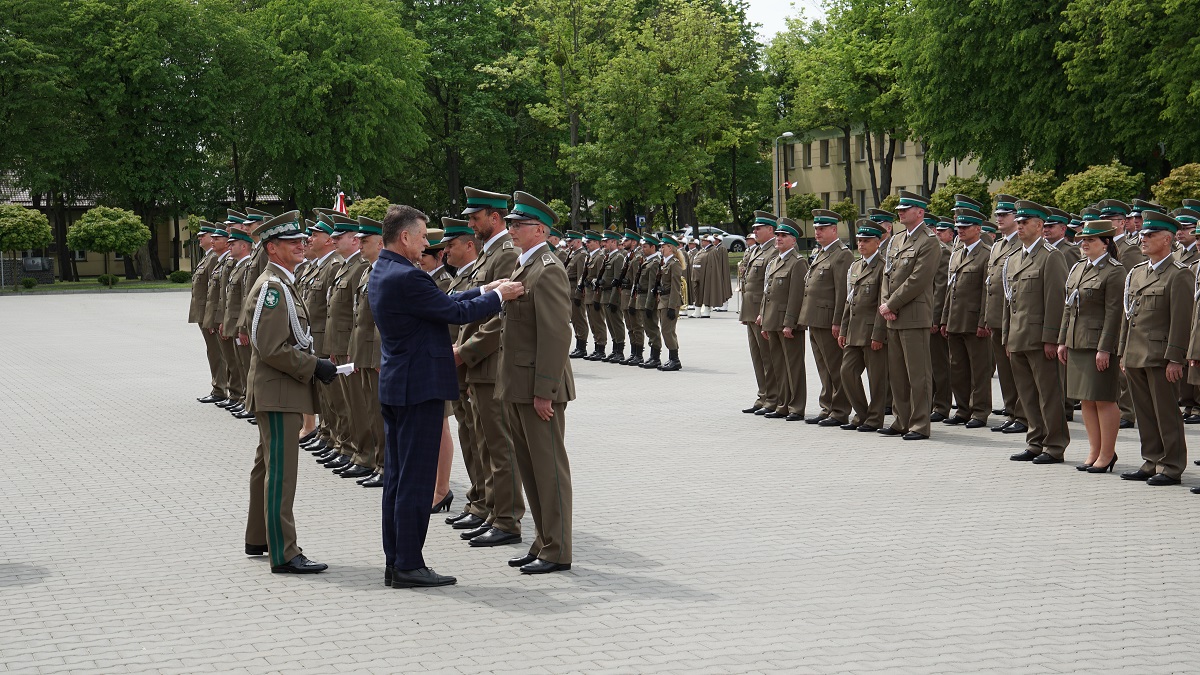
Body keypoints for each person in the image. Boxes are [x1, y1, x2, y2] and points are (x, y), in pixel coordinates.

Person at [370, 204, 523, 589]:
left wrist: (484, 289)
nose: (427, 243)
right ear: (404, 237)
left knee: (399, 479)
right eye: (423, 236)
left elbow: (436, 303)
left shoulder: (385, 269)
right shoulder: (407, 276)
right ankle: (408, 563)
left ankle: (397, 560)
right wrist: (500, 296)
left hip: (399, 385)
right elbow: (452, 311)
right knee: (416, 481)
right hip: (418, 389)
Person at [242, 210, 338, 574]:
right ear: (271, 248)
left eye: (301, 240)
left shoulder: (282, 281)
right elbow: (270, 347)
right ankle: (284, 552)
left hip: (277, 391)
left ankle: (260, 538)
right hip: (279, 392)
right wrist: (315, 367)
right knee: (280, 472)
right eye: (292, 242)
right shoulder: (272, 286)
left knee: (266, 466)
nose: (301, 245)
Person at [497, 192, 576, 574]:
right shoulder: (524, 265)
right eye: (510, 224)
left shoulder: (547, 268)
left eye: (518, 225)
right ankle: (543, 540)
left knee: (549, 470)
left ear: (540, 230)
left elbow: (557, 334)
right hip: (518, 383)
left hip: (537, 388)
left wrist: (544, 390)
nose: (511, 230)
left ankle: (558, 548)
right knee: (530, 469)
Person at [455, 187, 525, 547]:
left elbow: (501, 316)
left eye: (475, 217)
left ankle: (508, 519)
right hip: (477, 363)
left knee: (499, 445)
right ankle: (490, 509)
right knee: (484, 442)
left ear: (493, 217)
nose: (471, 223)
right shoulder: (490, 253)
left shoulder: (506, 253)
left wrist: (464, 352)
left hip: (491, 361)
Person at [1120, 210, 1191, 487]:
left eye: (1150, 235)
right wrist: (1124, 352)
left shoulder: (1178, 274)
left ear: (1167, 239)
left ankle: (1172, 465)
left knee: (1166, 412)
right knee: (1145, 412)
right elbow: (1130, 316)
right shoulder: (1138, 272)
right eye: (1142, 235)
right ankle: (1151, 460)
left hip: (1161, 356)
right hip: (1136, 353)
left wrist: (1176, 358)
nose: (1143, 238)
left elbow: (1181, 320)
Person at [1004, 200, 1070, 464]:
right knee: (1027, 394)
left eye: (1024, 222)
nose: (1019, 226)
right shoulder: (1013, 258)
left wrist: (1051, 339)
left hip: (1040, 339)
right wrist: (1006, 336)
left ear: (1040, 225)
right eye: (1017, 222)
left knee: (1049, 394)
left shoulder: (1051, 256)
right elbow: (1009, 302)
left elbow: (1056, 300)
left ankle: (1054, 445)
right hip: (1018, 337)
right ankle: (1035, 441)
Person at [1056, 220, 1124, 473]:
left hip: (1097, 344)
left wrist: (1105, 348)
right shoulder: (1078, 268)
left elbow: (1114, 313)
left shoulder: (1115, 271)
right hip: (1077, 342)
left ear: (1105, 243)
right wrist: (1063, 341)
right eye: (1083, 240)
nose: (1084, 244)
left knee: (1104, 399)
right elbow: (1068, 308)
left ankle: (1107, 453)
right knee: (1086, 400)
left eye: (1090, 240)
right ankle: (1095, 450)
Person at [878, 190, 940, 441]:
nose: (900, 213)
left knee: (918, 373)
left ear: (920, 213)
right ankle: (901, 420)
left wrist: (891, 304)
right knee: (898, 373)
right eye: (899, 210)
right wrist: (886, 303)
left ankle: (919, 424)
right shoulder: (896, 240)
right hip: (893, 315)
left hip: (914, 315)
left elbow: (918, 279)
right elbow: (887, 274)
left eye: (906, 209)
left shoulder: (929, 241)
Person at [440, 221, 489, 524]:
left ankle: (487, 504)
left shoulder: (479, 272)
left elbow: (488, 324)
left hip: (470, 365)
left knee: (483, 440)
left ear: (468, 245)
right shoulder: (462, 278)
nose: (445, 252)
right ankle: (477, 498)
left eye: (450, 245)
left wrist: (466, 356)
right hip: (455, 367)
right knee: (469, 436)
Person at [340, 217, 387, 485]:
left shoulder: (383, 271)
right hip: (364, 352)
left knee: (380, 413)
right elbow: (359, 318)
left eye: (364, 241)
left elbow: (382, 320)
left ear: (380, 243)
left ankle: (384, 466)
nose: (359, 245)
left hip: (377, 355)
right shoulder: (369, 270)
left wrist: (381, 355)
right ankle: (376, 462)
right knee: (371, 411)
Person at [939, 208, 992, 428]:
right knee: (958, 368)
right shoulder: (957, 253)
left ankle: (979, 412)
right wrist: (944, 318)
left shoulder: (986, 254)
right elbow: (949, 290)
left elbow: (986, 291)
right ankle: (962, 409)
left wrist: (983, 321)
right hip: (955, 319)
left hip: (973, 322)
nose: (960, 230)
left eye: (965, 227)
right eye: (958, 227)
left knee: (979, 370)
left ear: (978, 229)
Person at [800, 209, 853, 426]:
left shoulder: (842, 254)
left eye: (822, 229)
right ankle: (827, 406)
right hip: (815, 318)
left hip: (829, 319)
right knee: (823, 366)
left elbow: (843, 291)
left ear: (834, 229)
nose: (817, 232)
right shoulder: (821, 252)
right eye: (816, 229)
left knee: (835, 366)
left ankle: (840, 410)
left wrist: (838, 322)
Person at [983, 194, 1028, 435]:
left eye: (1004, 215)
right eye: (997, 215)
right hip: (997, 317)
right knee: (1005, 371)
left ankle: (1023, 414)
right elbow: (989, 284)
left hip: (1014, 318)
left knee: (1017, 370)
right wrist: (986, 317)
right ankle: (1012, 412)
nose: (999, 219)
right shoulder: (998, 245)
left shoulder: (1020, 244)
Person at [838, 220, 888, 432]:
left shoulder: (883, 266)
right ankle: (862, 413)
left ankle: (875, 418)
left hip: (871, 331)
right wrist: (843, 329)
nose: (861, 244)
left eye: (866, 241)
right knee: (846, 372)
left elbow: (881, 303)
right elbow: (850, 300)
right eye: (859, 240)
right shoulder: (856, 266)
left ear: (877, 242)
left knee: (876, 379)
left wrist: (878, 334)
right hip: (854, 331)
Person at [298, 216, 342, 457]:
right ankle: (327, 435)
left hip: (326, 340)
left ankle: (337, 440)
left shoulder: (334, 265)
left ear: (328, 240)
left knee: (334, 397)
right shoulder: (316, 266)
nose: (309, 239)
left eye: (314, 235)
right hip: (314, 339)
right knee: (324, 396)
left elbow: (332, 310)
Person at [758, 218, 808, 420]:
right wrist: (763, 317)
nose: (778, 239)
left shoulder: (797, 262)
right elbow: (767, 292)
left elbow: (796, 296)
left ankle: (797, 406)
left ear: (793, 240)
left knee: (793, 366)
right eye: (777, 235)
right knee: (779, 365)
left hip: (788, 324)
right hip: (772, 321)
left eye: (783, 236)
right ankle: (783, 404)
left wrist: (790, 323)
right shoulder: (775, 261)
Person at [740, 211, 780, 415]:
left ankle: (773, 397)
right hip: (750, 310)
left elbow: (768, 286)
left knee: (767, 357)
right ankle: (763, 395)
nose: (754, 231)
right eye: (754, 228)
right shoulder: (756, 250)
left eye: (759, 228)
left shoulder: (774, 250)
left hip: (762, 311)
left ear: (770, 230)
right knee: (757, 357)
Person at [191, 223, 222, 403]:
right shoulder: (208, 257)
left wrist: (212, 317)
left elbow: (215, 292)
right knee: (213, 352)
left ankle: (220, 388)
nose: (200, 238)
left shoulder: (213, 259)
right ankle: (219, 387)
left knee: (217, 353)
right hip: (203, 314)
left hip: (209, 315)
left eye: (204, 235)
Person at [928, 218, 953, 422]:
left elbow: (941, 287)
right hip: (918, 317)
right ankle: (928, 402)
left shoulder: (942, 250)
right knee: (925, 364)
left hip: (931, 317)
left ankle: (942, 404)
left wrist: (936, 318)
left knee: (939, 364)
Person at [655, 235, 685, 371]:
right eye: (661, 246)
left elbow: (675, 287)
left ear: (670, 248)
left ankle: (675, 359)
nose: (661, 249)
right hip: (663, 300)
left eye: (663, 246)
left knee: (668, 331)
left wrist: (672, 306)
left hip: (670, 302)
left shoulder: (674, 264)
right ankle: (672, 358)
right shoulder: (665, 263)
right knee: (666, 330)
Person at [599, 230, 628, 362]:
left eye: (606, 241)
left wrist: (613, 299)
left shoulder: (618, 258)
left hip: (612, 295)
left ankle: (620, 350)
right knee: (610, 324)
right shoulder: (608, 256)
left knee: (616, 323)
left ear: (613, 242)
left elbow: (617, 280)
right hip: (605, 294)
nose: (604, 244)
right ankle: (615, 348)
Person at [636, 234, 664, 369]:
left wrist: (648, 305)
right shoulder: (647, 261)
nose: (643, 249)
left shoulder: (654, 263)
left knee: (652, 328)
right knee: (648, 328)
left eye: (645, 246)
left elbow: (652, 286)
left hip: (648, 301)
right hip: (641, 299)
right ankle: (652, 355)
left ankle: (655, 356)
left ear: (653, 247)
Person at [582, 231, 609, 360]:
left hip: (594, 295)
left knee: (598, 322)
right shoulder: (590, 256)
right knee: (592, 322)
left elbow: (600, 279)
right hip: (588, 295)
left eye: (589, 242)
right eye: (586, 242)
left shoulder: (599, 257)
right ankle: (597, 346)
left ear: (597, 243)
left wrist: (598, 298)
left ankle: (601, 348)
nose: (586, 244)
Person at [565, 231, 590, 358]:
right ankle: (578, 344)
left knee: (579, 318)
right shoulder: (572, 254)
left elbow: (581, 276)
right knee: (574, 319)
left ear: (578, 241)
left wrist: (579, 294)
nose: (568, 243)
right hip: (569, 290)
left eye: (571, 241)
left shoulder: (581, 255)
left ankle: (582, 346)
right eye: (568, 241)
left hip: (575, 290)